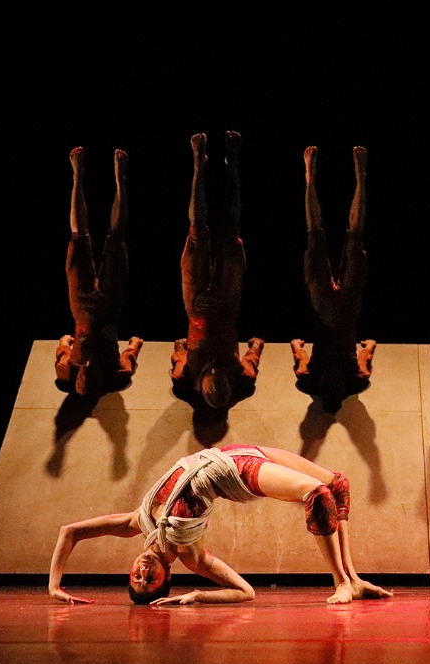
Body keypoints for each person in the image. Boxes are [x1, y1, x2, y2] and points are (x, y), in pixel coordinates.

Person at [48, 442, 394, 605]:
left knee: (338, 485)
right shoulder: (190, 555)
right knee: (317, 494)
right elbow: (246, 592)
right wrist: (198, 596)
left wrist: (54, 586)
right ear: (167, 577)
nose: (142, 572)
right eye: (148, 580)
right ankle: (340, 582)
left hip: (236, 450)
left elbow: (70, 532)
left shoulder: (136, 522)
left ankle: (354, 579)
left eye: (135, 577)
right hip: (231, 474)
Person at [171, 131, 265, 411]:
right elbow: (252, 358)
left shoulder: (186, 376)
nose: (213, 367)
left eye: (209, 373)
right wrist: (256, 346)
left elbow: (178, 356)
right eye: (219, 372)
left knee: (197, 232)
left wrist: (180, 348)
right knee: (230, 230)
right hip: (226, 305)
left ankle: (198, 165)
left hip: (197, 305)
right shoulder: (240, 376)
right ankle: (232, 165)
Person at [291, 144, 376, 415]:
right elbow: (365, 357)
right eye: (336, 386)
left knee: (314, 236)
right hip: (347, 309)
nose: (333, 380)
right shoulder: (354, 376)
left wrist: (296, 346)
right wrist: (369, 346)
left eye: (328, 385)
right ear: (342, 389)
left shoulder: (311, 374)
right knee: (355, 237)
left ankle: (310, 177)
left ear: (321, 386)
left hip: (324, 308)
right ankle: (360, 177)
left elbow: (300, 358)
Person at [55, 145, 144, 399]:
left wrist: (65, 343)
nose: (89, 364)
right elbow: (130, 357)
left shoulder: (67, 371)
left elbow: (62, 353)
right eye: (92, 370)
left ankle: (77, 176)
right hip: (107, 305)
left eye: (84, 370)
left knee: (78, 238)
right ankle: (120, 180)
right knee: (116, 238)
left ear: (79, 376)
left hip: (81, 303)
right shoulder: (115, 372)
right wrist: (135, 344)